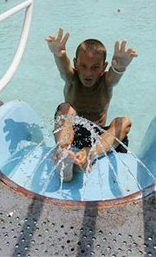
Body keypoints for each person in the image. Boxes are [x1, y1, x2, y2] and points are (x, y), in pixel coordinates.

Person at [45, 28, 137, 181]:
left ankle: (89, 154)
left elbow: (114, 77)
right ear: (76, 63)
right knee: (65, 108)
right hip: (71, 133)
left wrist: (119, 67)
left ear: (103, 67)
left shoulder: (106, 82)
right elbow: (64, 69)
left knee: (124, 122)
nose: (88, 73)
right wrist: (58, 55)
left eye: (95, 67)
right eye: (83, 66)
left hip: (97, 139)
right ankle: (64, 154)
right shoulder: (71, 78)